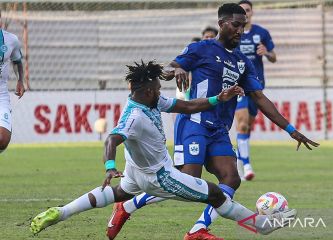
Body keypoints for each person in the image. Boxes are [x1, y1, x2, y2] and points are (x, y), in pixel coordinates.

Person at [106, 4, 318, 240]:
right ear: (222, 24)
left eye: (243, 26)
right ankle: (127, 206)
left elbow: (259, 97)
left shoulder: (242, 62)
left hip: (219, 130)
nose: (240, 30)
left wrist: (291, 129)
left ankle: (198, 230)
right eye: (236, 25)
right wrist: (175, 70)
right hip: (194, 123)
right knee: (189, 181)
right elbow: (170, 67)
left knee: (231, 178)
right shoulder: (202, 48)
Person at [30, 60, 297, 237]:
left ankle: (61, 212)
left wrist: (219, 98)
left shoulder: (150, 101)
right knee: (215, 193)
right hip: (158, 176)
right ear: (147, 91)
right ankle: (261, 226)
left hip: (136, 172)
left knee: (119, 193)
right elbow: (111, 139)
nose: (161, 91)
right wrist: (110, 166)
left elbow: (188, 106)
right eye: (158, 88)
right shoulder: (133, 117)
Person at [235, 0, 277, 181]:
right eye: (242, 11)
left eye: (248, 10)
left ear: (252, 13)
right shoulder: (233, 33)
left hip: (256, 86)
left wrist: (266, 52)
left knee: (247, 126)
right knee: (242, 123)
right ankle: (247, 165)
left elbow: (274, 57)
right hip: (238, 86)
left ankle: (239, 157)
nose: (245, 13)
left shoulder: (262, 33)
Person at [0, 23, 25, 153]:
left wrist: (20, 80)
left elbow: (17, 61)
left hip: (1, 96)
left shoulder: (11, 40)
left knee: (3, 140)